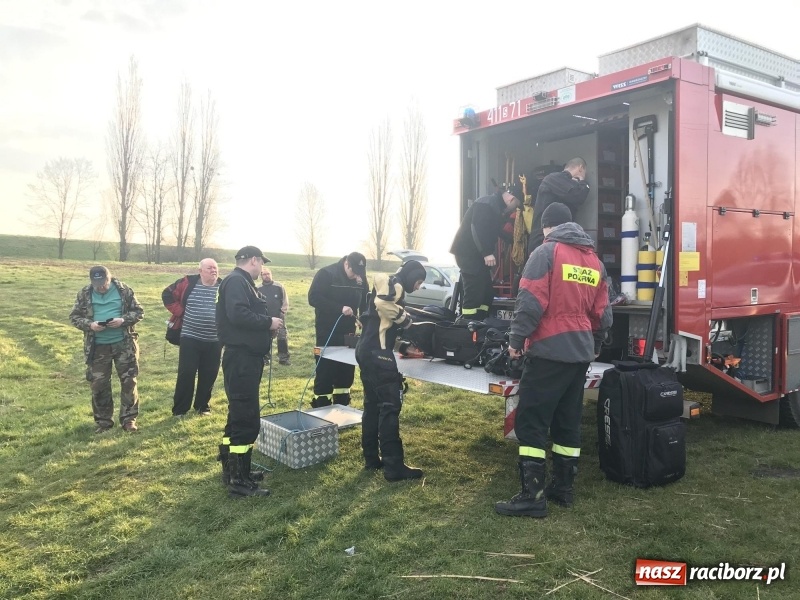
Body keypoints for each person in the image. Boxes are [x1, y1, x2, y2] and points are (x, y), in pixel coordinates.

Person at [495, 202, 612, 518]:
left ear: (547, 227)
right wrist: (596, 342)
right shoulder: (594, 263)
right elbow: (603, 312)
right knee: (567, 421)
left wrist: (516, 341)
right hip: (579, 354)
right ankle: (564, 489)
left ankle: (532, 496)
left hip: (548, 350)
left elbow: (530, 302)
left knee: (531, 422)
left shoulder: (545, 254)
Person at [216, 246, 282, 498]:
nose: (261, 269)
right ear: (253, 260)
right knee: (246, 420)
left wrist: (265, 331)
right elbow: (238, 314)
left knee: (237, 415)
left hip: (244, 358)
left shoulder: (240, 282)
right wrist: (269, 322)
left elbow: (242, 315)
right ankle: (239, 481)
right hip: (241, 359)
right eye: (260, 264)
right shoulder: (236, 282)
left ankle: (232, 471)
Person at [357, 260, 427, 481]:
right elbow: (382, 305)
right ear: (411, 276)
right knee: (390, 406)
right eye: (418, 282)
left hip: (365, 350)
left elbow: (380, 325)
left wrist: (402, 345)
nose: (417, 287)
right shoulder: (395, 286)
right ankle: (394, 468)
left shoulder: (385, 282)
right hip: (378, 354)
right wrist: (406, 320)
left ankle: (371, 458)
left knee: (372, 404)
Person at [69, 266, 144, 433]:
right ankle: (104, 423)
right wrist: (90, 325)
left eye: (103, 283)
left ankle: (129, 420)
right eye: (97, 284)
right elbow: (74, 317)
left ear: (109, 279)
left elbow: (139, 312)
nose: (101, 287)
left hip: (124, 345)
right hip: (97, 347)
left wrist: (122, 320)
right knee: (99, 384)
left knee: (129, 382)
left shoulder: (124, 291)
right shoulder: (84, 294)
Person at [450, 184, 522, 321]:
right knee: (474, 293)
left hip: (476, 256)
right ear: (511, 200)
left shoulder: (495, 207)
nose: (514, 209)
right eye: (516, 206)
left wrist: (516, 241)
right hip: (468, 255)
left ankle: (480, 320)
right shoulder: (486, 204)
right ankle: (468, 324)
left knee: (487, 293)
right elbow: (477, 228)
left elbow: (498, 231)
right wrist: (486, 252)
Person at [162, 258, 222, 417]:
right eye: (209, 268)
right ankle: (180, 410)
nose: (213, 271)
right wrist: (180, 311)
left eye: (215, 268)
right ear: (200, 270)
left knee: (209, 373)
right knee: (186, 373)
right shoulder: (187, 282)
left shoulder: (223, 287)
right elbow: (167, 294)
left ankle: (202, 406)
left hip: (215, 340)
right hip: (190, 336)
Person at [307, 252, 368, 408]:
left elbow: (365, 300)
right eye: (353, 271)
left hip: (349, 332)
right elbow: (313, 298)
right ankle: (321, 405)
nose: (356, 276)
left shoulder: (360, 277)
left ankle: (342, 406)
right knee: (325, 369)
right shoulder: (327, 274)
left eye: (359, 273)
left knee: (346, 370)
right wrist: (339, 308)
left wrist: (364, 317)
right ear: (346, 264)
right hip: (327, 330)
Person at [527, 157, 590, 255]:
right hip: (542, 241)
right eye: (584, 173)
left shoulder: (560, 183)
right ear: (580, 168)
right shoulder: (553, 178)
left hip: (558, 241)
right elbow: (579, 196)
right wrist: (583, 182)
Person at [258, 267, 291, 366]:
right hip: (265, 318)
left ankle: (283, 359)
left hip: (279, 316)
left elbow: (285, 300)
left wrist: (282, 312)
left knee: (282, 338)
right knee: (265, 338)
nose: (267, 276)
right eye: (264, 274)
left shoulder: (279, 286)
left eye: (268, 274)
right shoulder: (258, 288)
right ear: (261, 276)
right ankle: (265, 358)